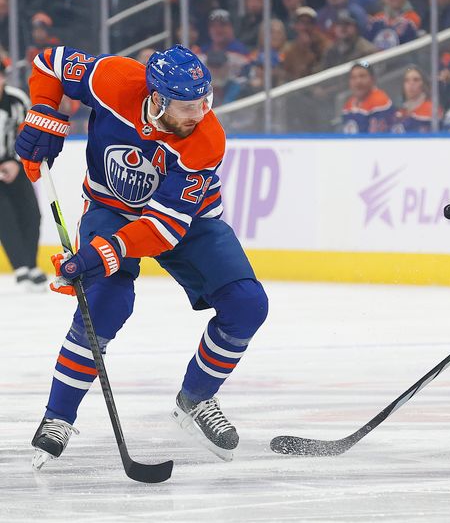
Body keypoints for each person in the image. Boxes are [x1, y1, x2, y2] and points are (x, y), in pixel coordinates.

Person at [17, 45, 268, 468]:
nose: (198, 113)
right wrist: (44, 111)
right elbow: (49, 63)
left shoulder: (206, 139)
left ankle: (196, 399)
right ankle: (57, 417)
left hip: (188, 222)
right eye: (187, 106)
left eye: (203, 102)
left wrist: (98, 256)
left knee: (247, 304)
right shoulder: (115, 79)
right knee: (105, 304)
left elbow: (163, 228)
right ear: (156, 97)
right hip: (109, 210)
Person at [0, 62, 48, 291]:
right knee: (5, 217)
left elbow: (30, 133)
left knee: (32, 214)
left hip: (16, 165)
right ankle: (20, 268)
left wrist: (17, 162)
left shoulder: (18, 100)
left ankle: (31, 264)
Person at [341, 61, 393, 133]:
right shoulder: (348, 105)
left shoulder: (380, 101)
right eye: (353, 77)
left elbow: (377, 140)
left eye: (362, 76)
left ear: (372, 79)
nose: (358, 81)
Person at [392, 66, 437, 133]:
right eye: (407, 80)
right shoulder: (399, 113)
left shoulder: (432, 111)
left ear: (424, 84)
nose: (411, 83)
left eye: (416, 80)